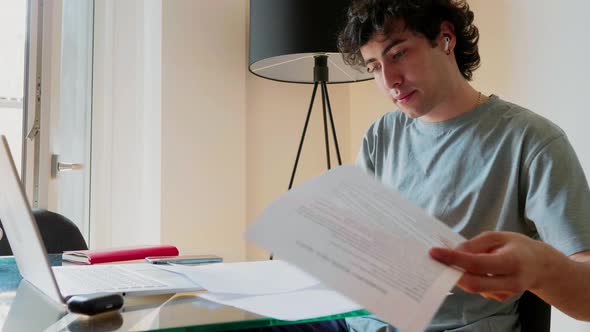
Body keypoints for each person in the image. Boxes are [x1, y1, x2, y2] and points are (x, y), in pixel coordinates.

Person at [335, 0, 590, 331]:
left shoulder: (532, 140)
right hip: (356, 322)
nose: (390, 81)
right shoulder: (381, 135)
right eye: (374, 67)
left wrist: (540, 268)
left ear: (445, 38)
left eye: (398, 54)